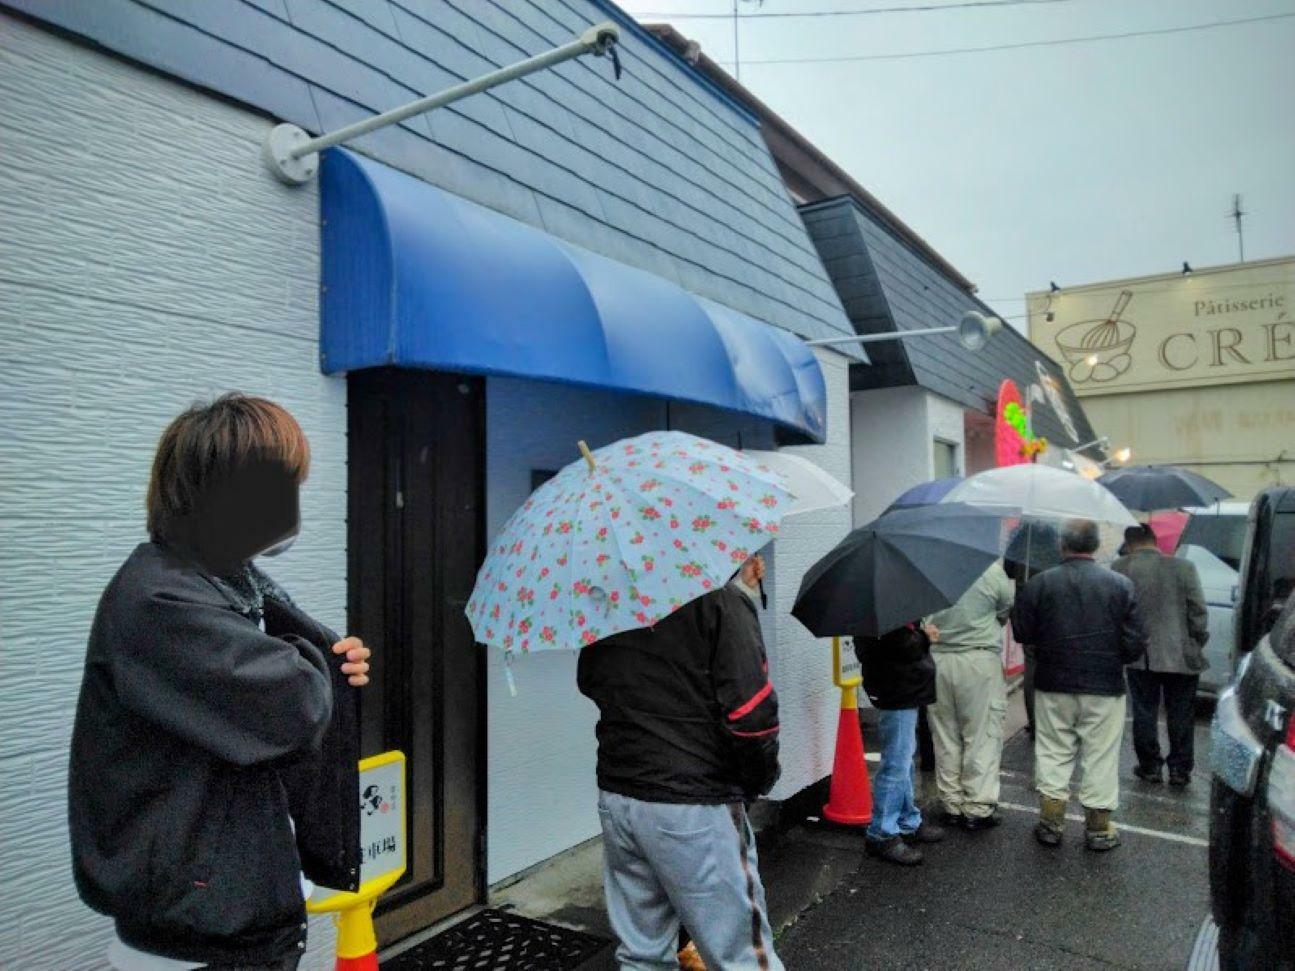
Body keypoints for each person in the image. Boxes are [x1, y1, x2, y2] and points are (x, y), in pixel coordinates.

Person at [69, 394, 372, 971]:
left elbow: (285, 689)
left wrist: (333, 665)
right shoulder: (162, 600)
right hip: (195, 932)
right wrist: (321, 673)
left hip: (229, 905)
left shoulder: (227, 585)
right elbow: (294, 707)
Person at [577, 552, 784, 970]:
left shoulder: (611, 605)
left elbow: (590, 680)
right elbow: (753, 716)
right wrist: (759, 780)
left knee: (641, 953)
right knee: (742, 956)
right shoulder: (721, 602)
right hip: (694, 803)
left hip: (620, 795)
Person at [1012, 518, 1147, 851]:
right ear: (1096, 545)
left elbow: (1022, 633)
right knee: (1100, 755)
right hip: (1104, 684)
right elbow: (1135, 641)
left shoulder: (1041, 583)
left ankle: (1050, 822)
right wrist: (1115, 657)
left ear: (1062, 545)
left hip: (1052, 681)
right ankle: (1099, 828)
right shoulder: (1120, 585)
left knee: (1053, 752)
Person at [1112, 524, 1209, 787]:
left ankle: (1150, 766)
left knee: (1144, 711)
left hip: (1140, 655)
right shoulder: (1184, 567)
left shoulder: (1120, 567)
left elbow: (1116, 612)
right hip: (1181, 654)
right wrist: (1196, 640)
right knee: (1181, 713)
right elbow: (1198, 611)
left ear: (1130, 544)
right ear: (1154, 541)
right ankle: (1179, 770)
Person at [924, 561, 1015, 830]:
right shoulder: (990, 570)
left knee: (944, 734)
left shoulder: (929, 569)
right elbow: (1004, 610)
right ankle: (977, 806)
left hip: (937, 659)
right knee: (982, 734)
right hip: (978, 659)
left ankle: (951, 803)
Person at [854, 621, 946, 865]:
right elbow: (896, 647)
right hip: (895, 691)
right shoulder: (879, 617)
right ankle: (881, 833)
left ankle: (907, 820)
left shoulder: (887, 609)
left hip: (902, 690)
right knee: (896, 763)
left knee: (903, 760)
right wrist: (924, 637)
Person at [1003, 519, 1060, 736]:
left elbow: (1008, 571)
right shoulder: (1056, 545)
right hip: (1053, 611)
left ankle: (1035, 722)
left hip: (1027, 609)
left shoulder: (1019, 542)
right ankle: (1052, 720)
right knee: (1053, 663)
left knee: (1032, 665)